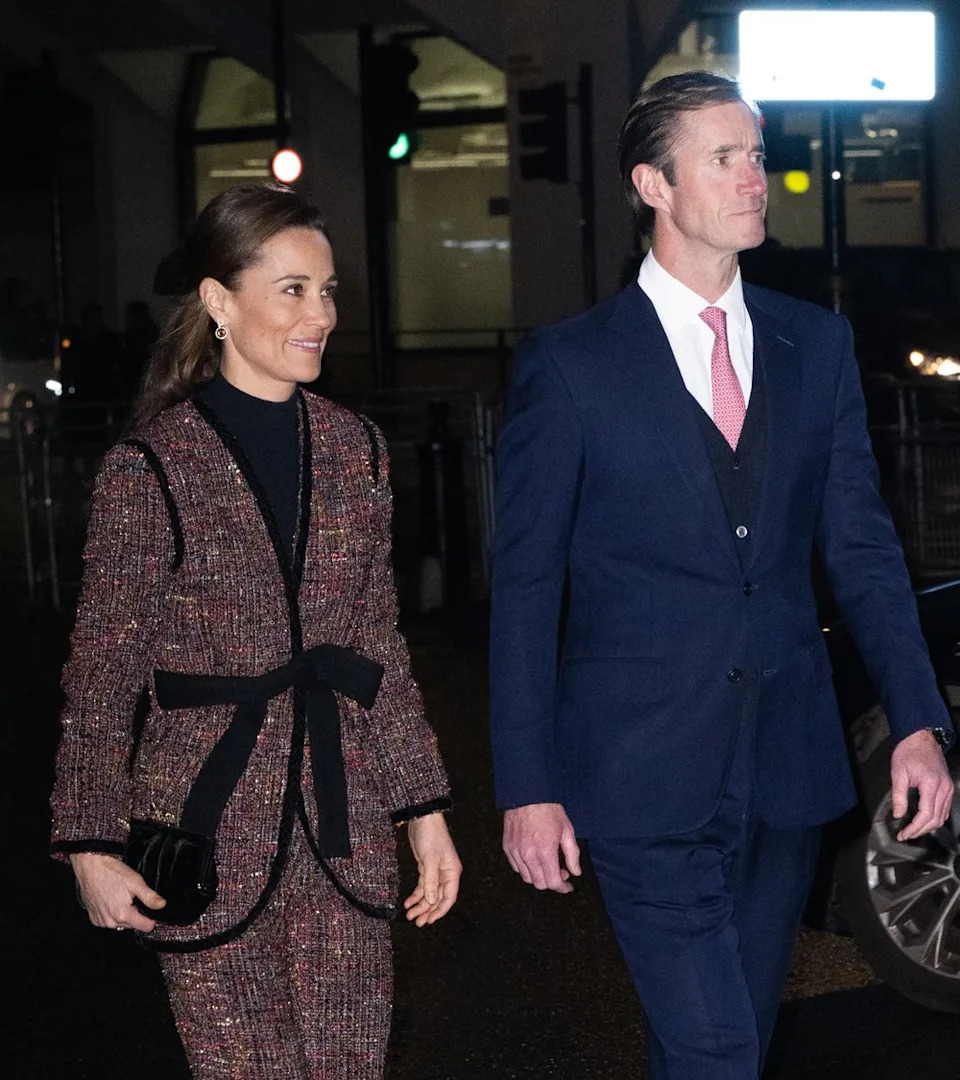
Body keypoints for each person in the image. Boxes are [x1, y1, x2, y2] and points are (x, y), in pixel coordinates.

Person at [488, 71, 953, 1079]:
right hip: (636, 774)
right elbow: (525, 588)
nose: (758, 178)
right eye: (726, 158)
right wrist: (527, 785)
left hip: (784, 764)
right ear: (653, 184)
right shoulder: (570, 366)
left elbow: (863, 548)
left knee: (717, 1040)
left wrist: (917, 720)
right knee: (715, 1052)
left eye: (756, 154)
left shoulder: (815, 344)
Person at [50, 181, 462, 1079]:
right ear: (218, 302)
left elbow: (377, 644)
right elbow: (103, 674)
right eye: (292, 290)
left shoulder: (357, 449)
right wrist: (88, 841)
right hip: (202, 828)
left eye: (327, 290)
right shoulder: (152, 466)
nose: (319, 314)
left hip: (342, 818)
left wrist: (422, 808)